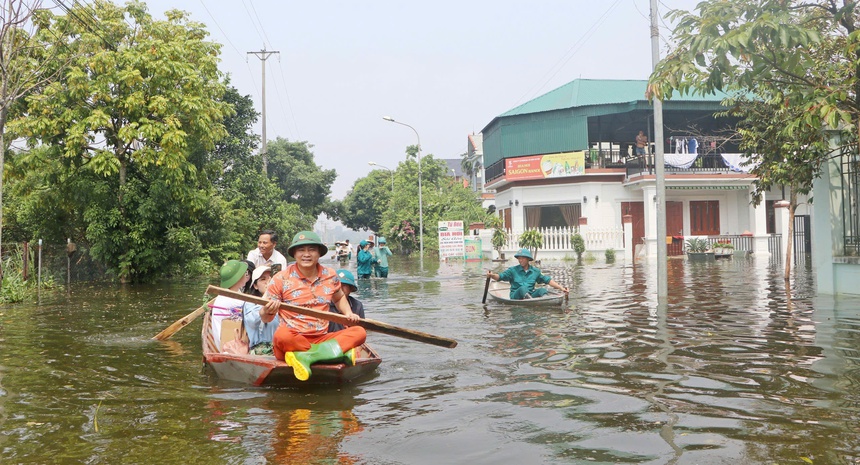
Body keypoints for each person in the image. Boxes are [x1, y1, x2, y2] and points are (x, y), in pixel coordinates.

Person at [262, 231, 367, 381]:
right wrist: (267, 310)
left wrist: (348, 313)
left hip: (321, 338)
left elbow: (339, 298)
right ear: (294, 254)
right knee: (281, 335)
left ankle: (308, 357)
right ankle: (332, 354)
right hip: (293, 341)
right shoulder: (280, 278)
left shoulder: (330, 275)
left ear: (319, 253)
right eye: (301, 250)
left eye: (311, 249)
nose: (306, 254)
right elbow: (265, 318)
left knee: (359, 332)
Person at [486, 248, 569, 300]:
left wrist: (561, 288)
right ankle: (531, 301)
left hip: (530, 294)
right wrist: (492, 275)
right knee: (523, 288)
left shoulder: (535, 271)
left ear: (528, 259)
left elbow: (548, 281)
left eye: (522, 258)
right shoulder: (513, 270)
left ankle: (544, 300)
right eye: (519, 258)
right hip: (516, 295)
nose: (520, 260)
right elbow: (500, 277)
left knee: (542, 290)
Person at [210, 260, 250, 351]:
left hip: (226, 342)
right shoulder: (233, 300)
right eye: (245, 273)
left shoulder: (229, 294)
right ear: (239, 277)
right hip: (228, 346)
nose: (247, 276)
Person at [242, 265, 279, 355]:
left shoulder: (281, 301)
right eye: (263, 279)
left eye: (271, 279)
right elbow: (253, 321)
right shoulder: (250, 303)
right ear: (255, 286)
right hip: (261, 350)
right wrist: (268, 292)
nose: (268, 282)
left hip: (280, 347)